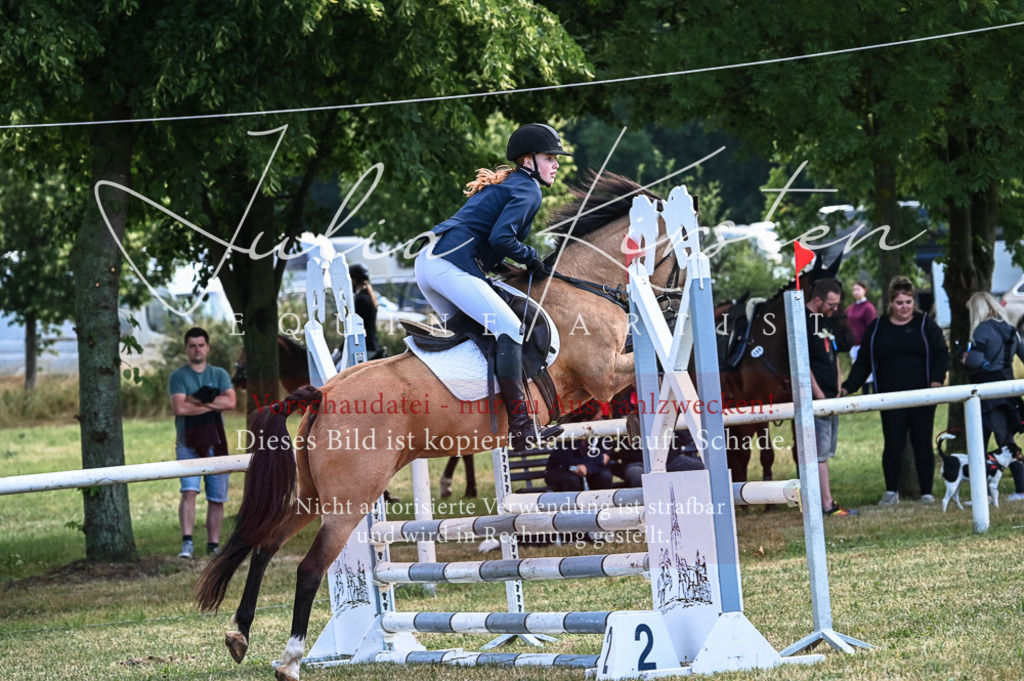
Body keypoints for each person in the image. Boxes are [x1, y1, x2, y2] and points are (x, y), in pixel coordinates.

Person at [415, 123, 568, 450]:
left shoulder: (510, 183)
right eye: (549, 158)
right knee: (510, 328)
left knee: (476, 335)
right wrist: (532, 258)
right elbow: (501, 238)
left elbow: (485, 238)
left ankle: (472, 410)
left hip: (430, 263)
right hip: (449, 264)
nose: (556, 164)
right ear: (528, 161)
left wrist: (509, 265)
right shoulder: (529, 189)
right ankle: (521, 427)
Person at [842, 276, 949, 506]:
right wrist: (848, 386)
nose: (904, 307)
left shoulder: (924, 324)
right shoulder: (877, 327)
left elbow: (942, 353)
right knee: (893, 442)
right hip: (889, 397)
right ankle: (891, 491)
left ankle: (927, 493)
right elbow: (863, 362)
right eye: (899, 303)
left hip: (922, 396)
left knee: (922, 442)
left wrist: (937, 381)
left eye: (908, 302)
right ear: (891, 302)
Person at [168, 327, 236, 558]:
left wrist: (196, 400)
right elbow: (179, 408)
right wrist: (213, 400)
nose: (197, 349)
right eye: (192, 345)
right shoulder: (178, 376)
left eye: (201, 345)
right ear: (186, 349)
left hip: (217, 442)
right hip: (187, 442)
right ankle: (187, 543)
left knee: (217, 497)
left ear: (207, 347)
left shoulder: (219, 374)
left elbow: (231, 403)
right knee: (189, 491)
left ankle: (213, 545)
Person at [962, 292, 1024, 501]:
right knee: (1007, 440)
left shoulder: (982, 329)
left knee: (979, 442)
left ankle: (987, 493)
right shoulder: (1010, 329)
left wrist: (965, 357)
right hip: (1008, 389)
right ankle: (1018, 488)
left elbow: (975, 360)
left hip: (987, 391)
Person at [805, 278, 857, 516]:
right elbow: (803, 364)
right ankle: (826, 505)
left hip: (831, 396)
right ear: (818, 300)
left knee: (826, 453)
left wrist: (837, 388)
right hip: (817, 399)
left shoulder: (826, 321)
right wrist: (818, 395)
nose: (835, 309)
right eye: (832, 304)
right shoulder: (803, 322)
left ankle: (826, 502)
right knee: (819, 455)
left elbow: (834, 356)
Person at [349, 262, 386, 360]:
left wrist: (340, 350)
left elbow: (354, 328)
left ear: (354, 280)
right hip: (373, 346)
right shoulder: (369, 296)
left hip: (365, 348)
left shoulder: (360, 300)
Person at [846, 281, 878, 393]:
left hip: (864, 344)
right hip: (853, 345)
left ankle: (874, 392)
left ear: (864, 290)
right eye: (854, 290)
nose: (856, 292)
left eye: (858, 289)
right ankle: (864, 393)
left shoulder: (868, 308)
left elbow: (871, 327)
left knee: (869, 371)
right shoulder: (850, 308)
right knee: (858, 369)